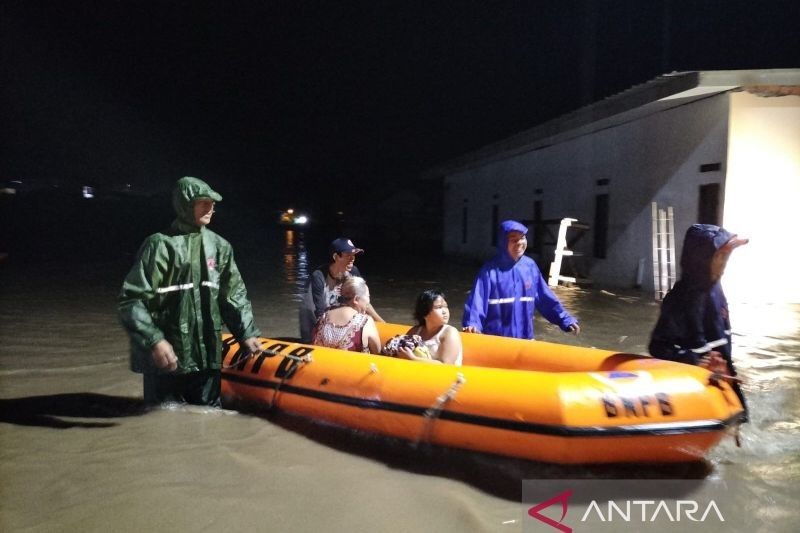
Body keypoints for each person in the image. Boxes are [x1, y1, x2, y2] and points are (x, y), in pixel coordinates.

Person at [118, 177, 262, 407]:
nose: (210, 208)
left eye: (213, 203)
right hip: (168, 360)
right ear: (185, 205)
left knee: (209, 419)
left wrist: (246, 333)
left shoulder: (221, 247)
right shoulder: (160, 245)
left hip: (207, 358)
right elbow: (131, 301)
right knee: (164, 423)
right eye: (203, 203)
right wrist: (155, 341)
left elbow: (233, 295)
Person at [649, 223, 749, 416]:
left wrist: (731, 372)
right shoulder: (680, 299)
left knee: (740, 419)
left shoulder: (715, 289)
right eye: (720, 256)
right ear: (701, 261)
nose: (724, 263)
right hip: (696, 390)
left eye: (727, 256)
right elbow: (659, 347)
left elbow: (721, 340)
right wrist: (697, 361)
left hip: (721, 380)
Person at [462, 219, 579, 339]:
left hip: (525, 341)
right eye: (513, 239)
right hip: (497, 343)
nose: (519, 243)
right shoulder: (488, 271)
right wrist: (472, 325)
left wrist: (565, 319)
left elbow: (545, 298)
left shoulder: (530, 267)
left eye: (522, 238)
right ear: (503, 242)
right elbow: (477, 302)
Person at [299, 237, 384, 342]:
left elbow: (363, 301)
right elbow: (318, 312)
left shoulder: (353, 272)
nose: (352, 259)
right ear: (335, 256)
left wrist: (382, 322)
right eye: (348, 255)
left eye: (353, 255)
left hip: (340, 318)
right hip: (316, 320)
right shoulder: (319, 276)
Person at [312, 276, 381, 354]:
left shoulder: (325, 314)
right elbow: (377, 351)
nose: (368, 302)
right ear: (356, 299)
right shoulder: (365, 321)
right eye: (368, 296)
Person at [397, 289, 463, 365]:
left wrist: (413, 359)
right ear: (425, 313)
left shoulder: (450, 332)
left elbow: (446, 365)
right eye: (439, 307)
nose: (445, 311)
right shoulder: (415, 331)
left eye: (446, 306)